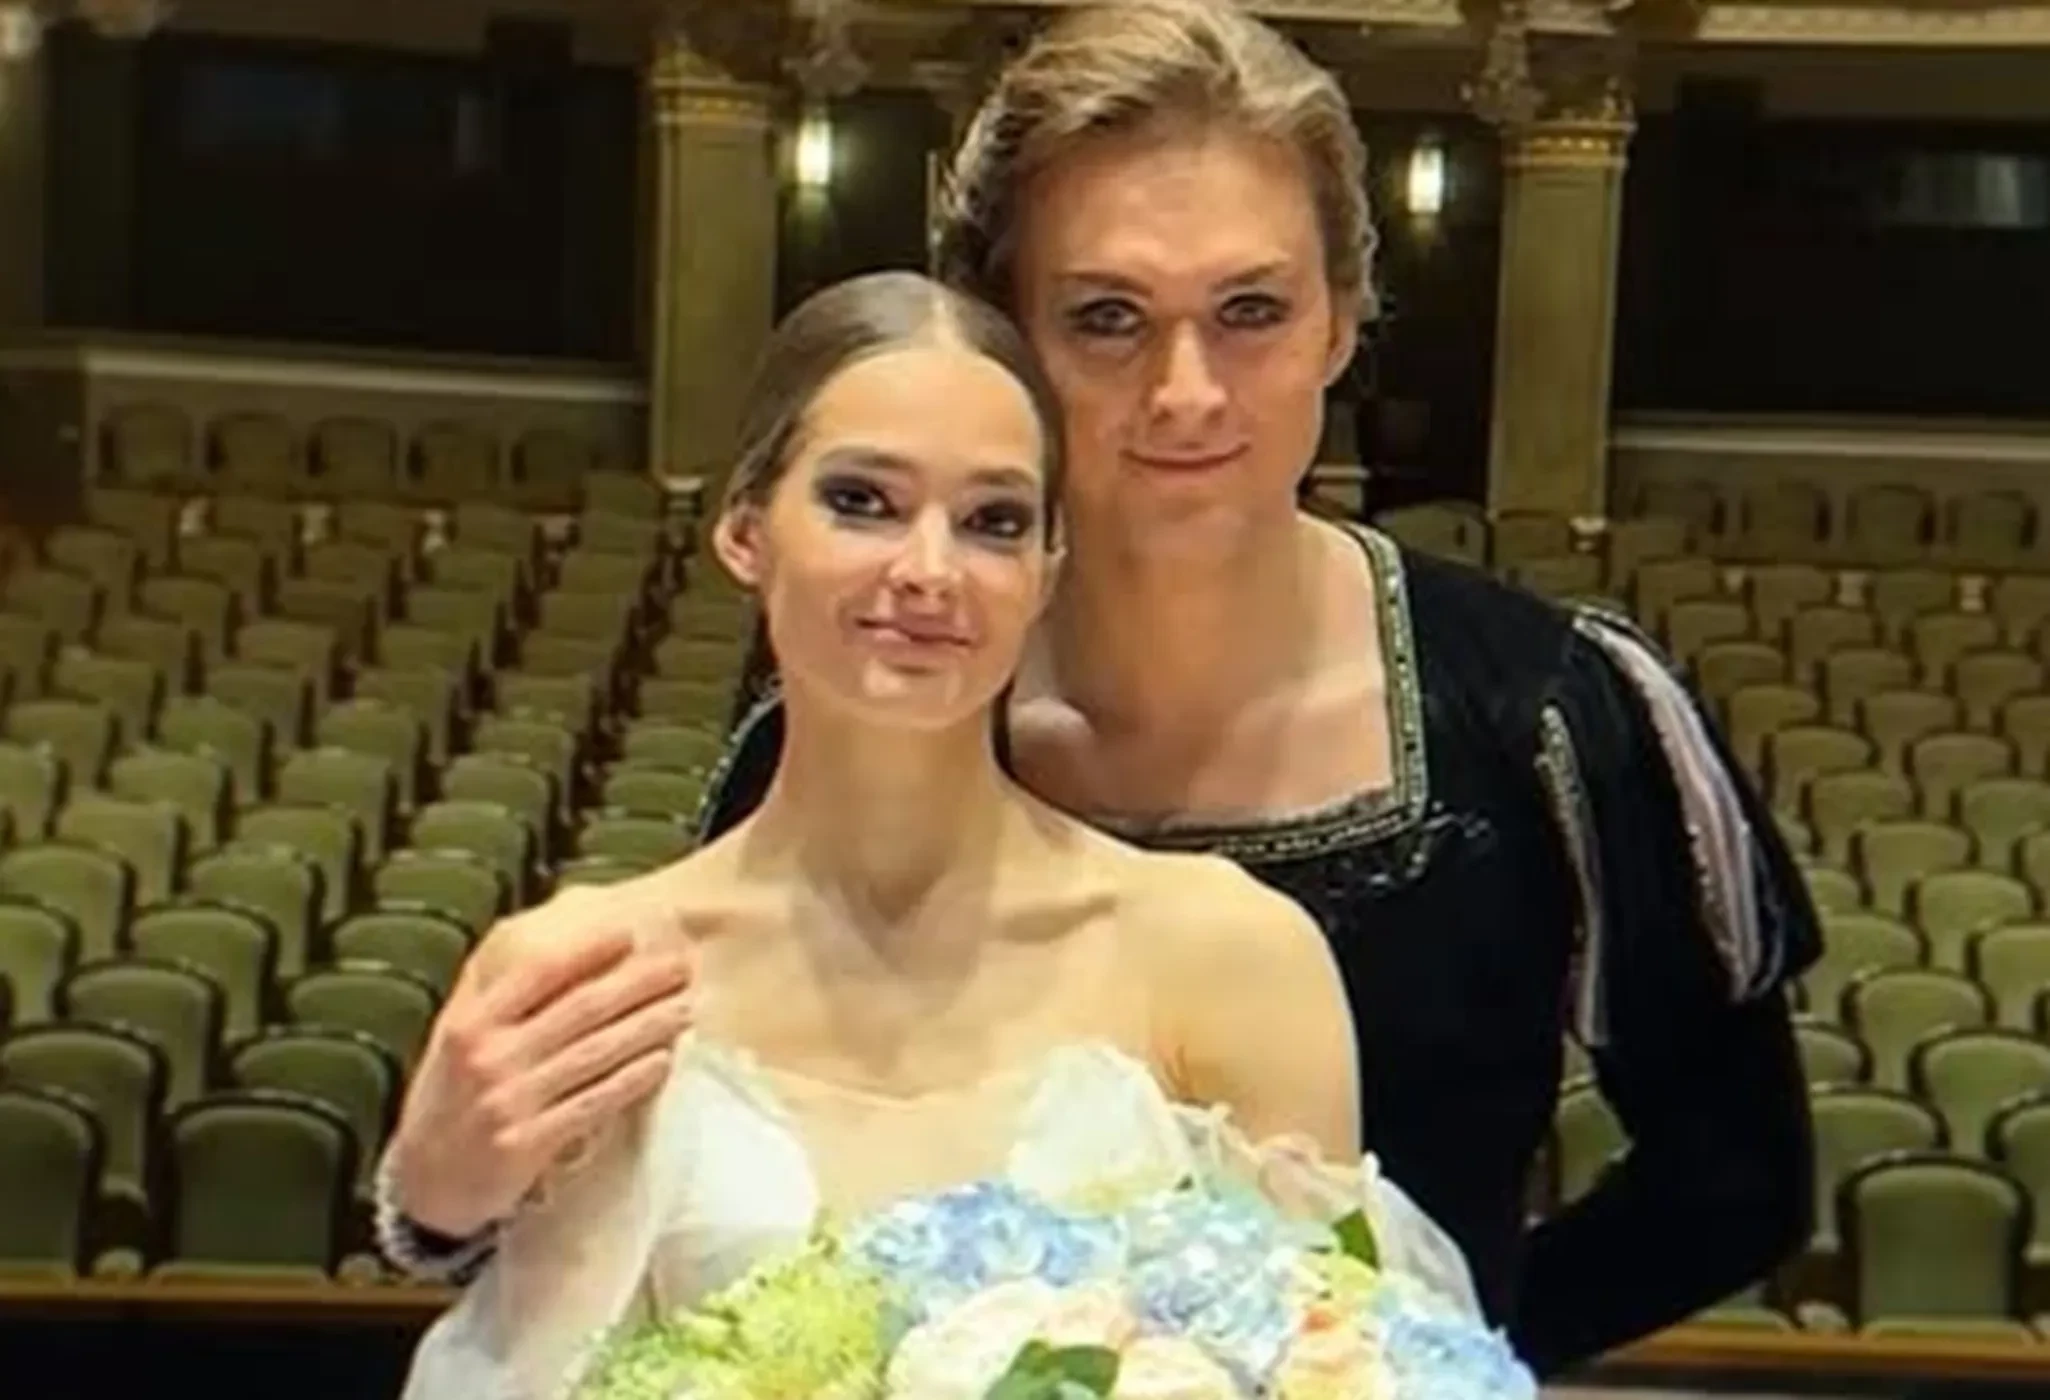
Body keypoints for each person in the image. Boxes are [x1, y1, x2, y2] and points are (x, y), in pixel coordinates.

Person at [377, 0, 1819, 1378]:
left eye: (1250, 309)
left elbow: (1733, 1181)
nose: (1187, 391)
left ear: (1341, 321)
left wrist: (1406, 1359)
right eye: (1108, 317)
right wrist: (435, 1209)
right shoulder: (862, 710)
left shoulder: (1556, 714)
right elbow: (681, 1225)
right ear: (1005, 336)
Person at [395, 269, 1369, 1398]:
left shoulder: (1229, 958)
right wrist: (432, 1201)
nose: (928, 571)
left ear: (1046, 569)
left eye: (995, 521)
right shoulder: (588, 973)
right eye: (862, 501)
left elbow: (1340, 1362)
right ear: (744, 531)